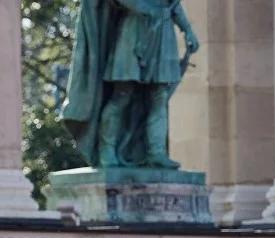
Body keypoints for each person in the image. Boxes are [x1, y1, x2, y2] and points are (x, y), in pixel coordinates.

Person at [63, 0, 199, 168]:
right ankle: (107, 149)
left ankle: (156, 152)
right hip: (133, 29)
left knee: (159, 95)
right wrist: (145, 8)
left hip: (162, 31)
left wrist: (187, 29)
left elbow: (173, 3)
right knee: (122, 93)